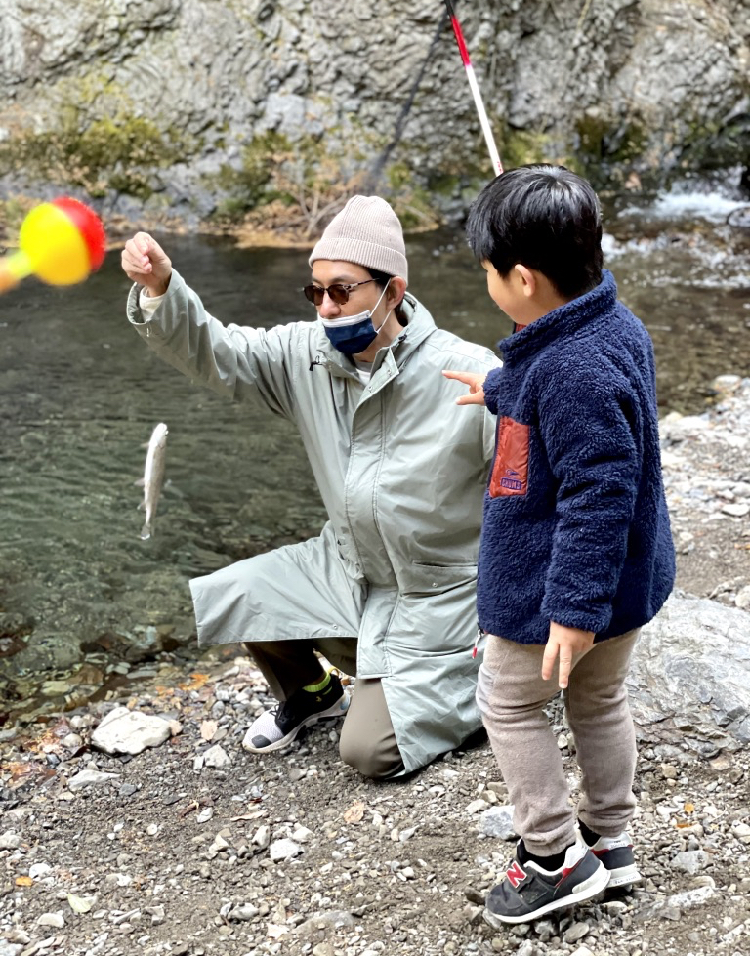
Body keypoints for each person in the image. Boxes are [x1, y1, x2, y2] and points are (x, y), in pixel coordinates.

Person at [122, 195, 498, 779]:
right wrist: (162, 289)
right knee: (241, 594)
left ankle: (484, 685)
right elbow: (219, 354)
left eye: (342, 291)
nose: (325, 307)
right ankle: (316, 692)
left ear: (393, 291)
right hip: (348, 568)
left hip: (438, 596)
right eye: (315, 291)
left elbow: (542, 495)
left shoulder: (470, 372)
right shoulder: (306, 354)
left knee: (368, 753)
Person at [444, 165, 675, 925]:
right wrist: (500, 390)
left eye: (487, 273)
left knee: (507, 705)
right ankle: (611, 838)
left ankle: (551, 856)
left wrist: (571, 611)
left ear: (522, 278)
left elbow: (598, 489)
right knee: (600, 699)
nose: (486, 285)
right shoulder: (609, 324)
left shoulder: (569, 367)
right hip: (628, 584)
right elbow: (561, 397)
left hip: (561, 591)